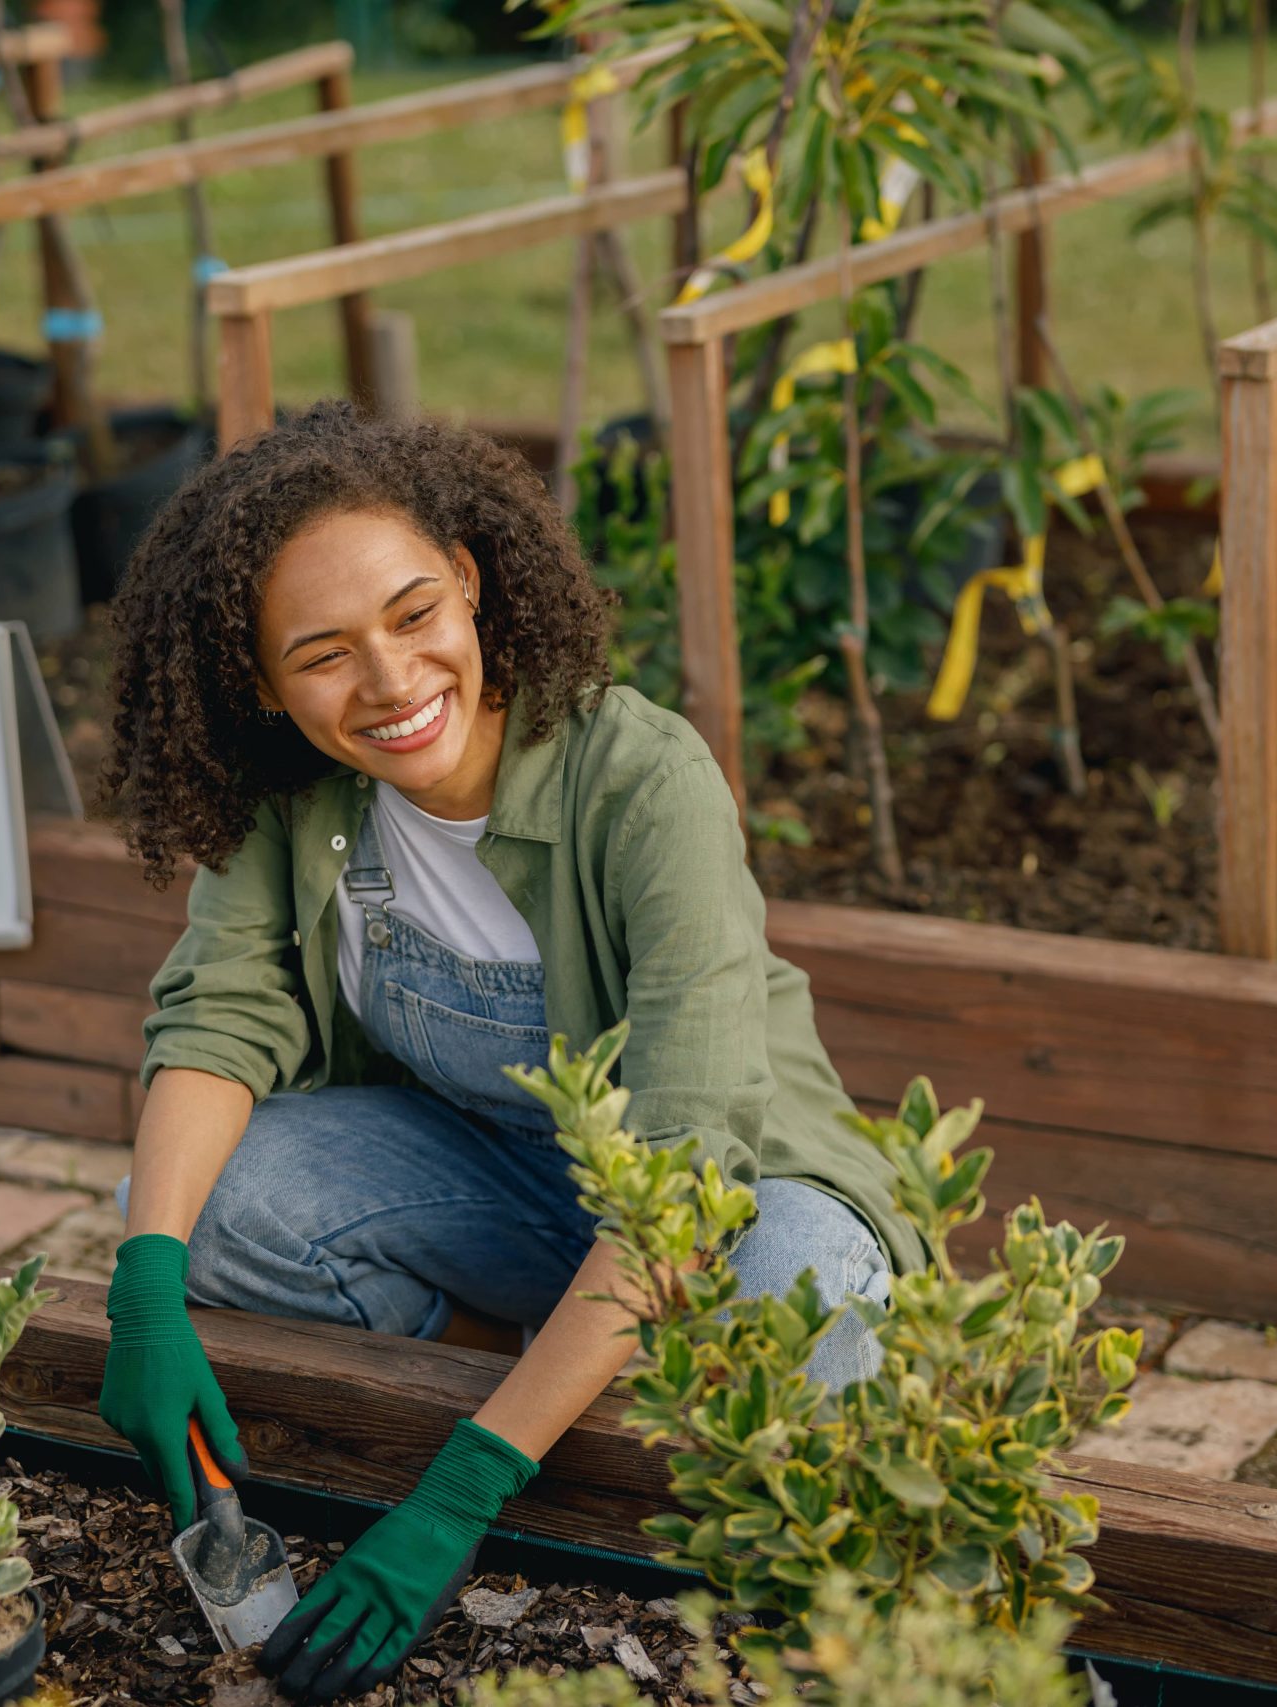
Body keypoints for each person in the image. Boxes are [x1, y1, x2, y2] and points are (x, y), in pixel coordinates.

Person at [95, 403, 921, 1705]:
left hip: (728, 1194)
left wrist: (458, 1493)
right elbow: (218, 1017)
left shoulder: (642, 784)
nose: (390, 682)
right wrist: (142, 1291)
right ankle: (570, 1360)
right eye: (322, 655)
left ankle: (568, 1392)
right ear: (262, 682)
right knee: (209, 1203)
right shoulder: (296, 800)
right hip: (507, 1185)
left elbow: (680, 1174)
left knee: (803, 1290)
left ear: (471, 585)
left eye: (415, 615)